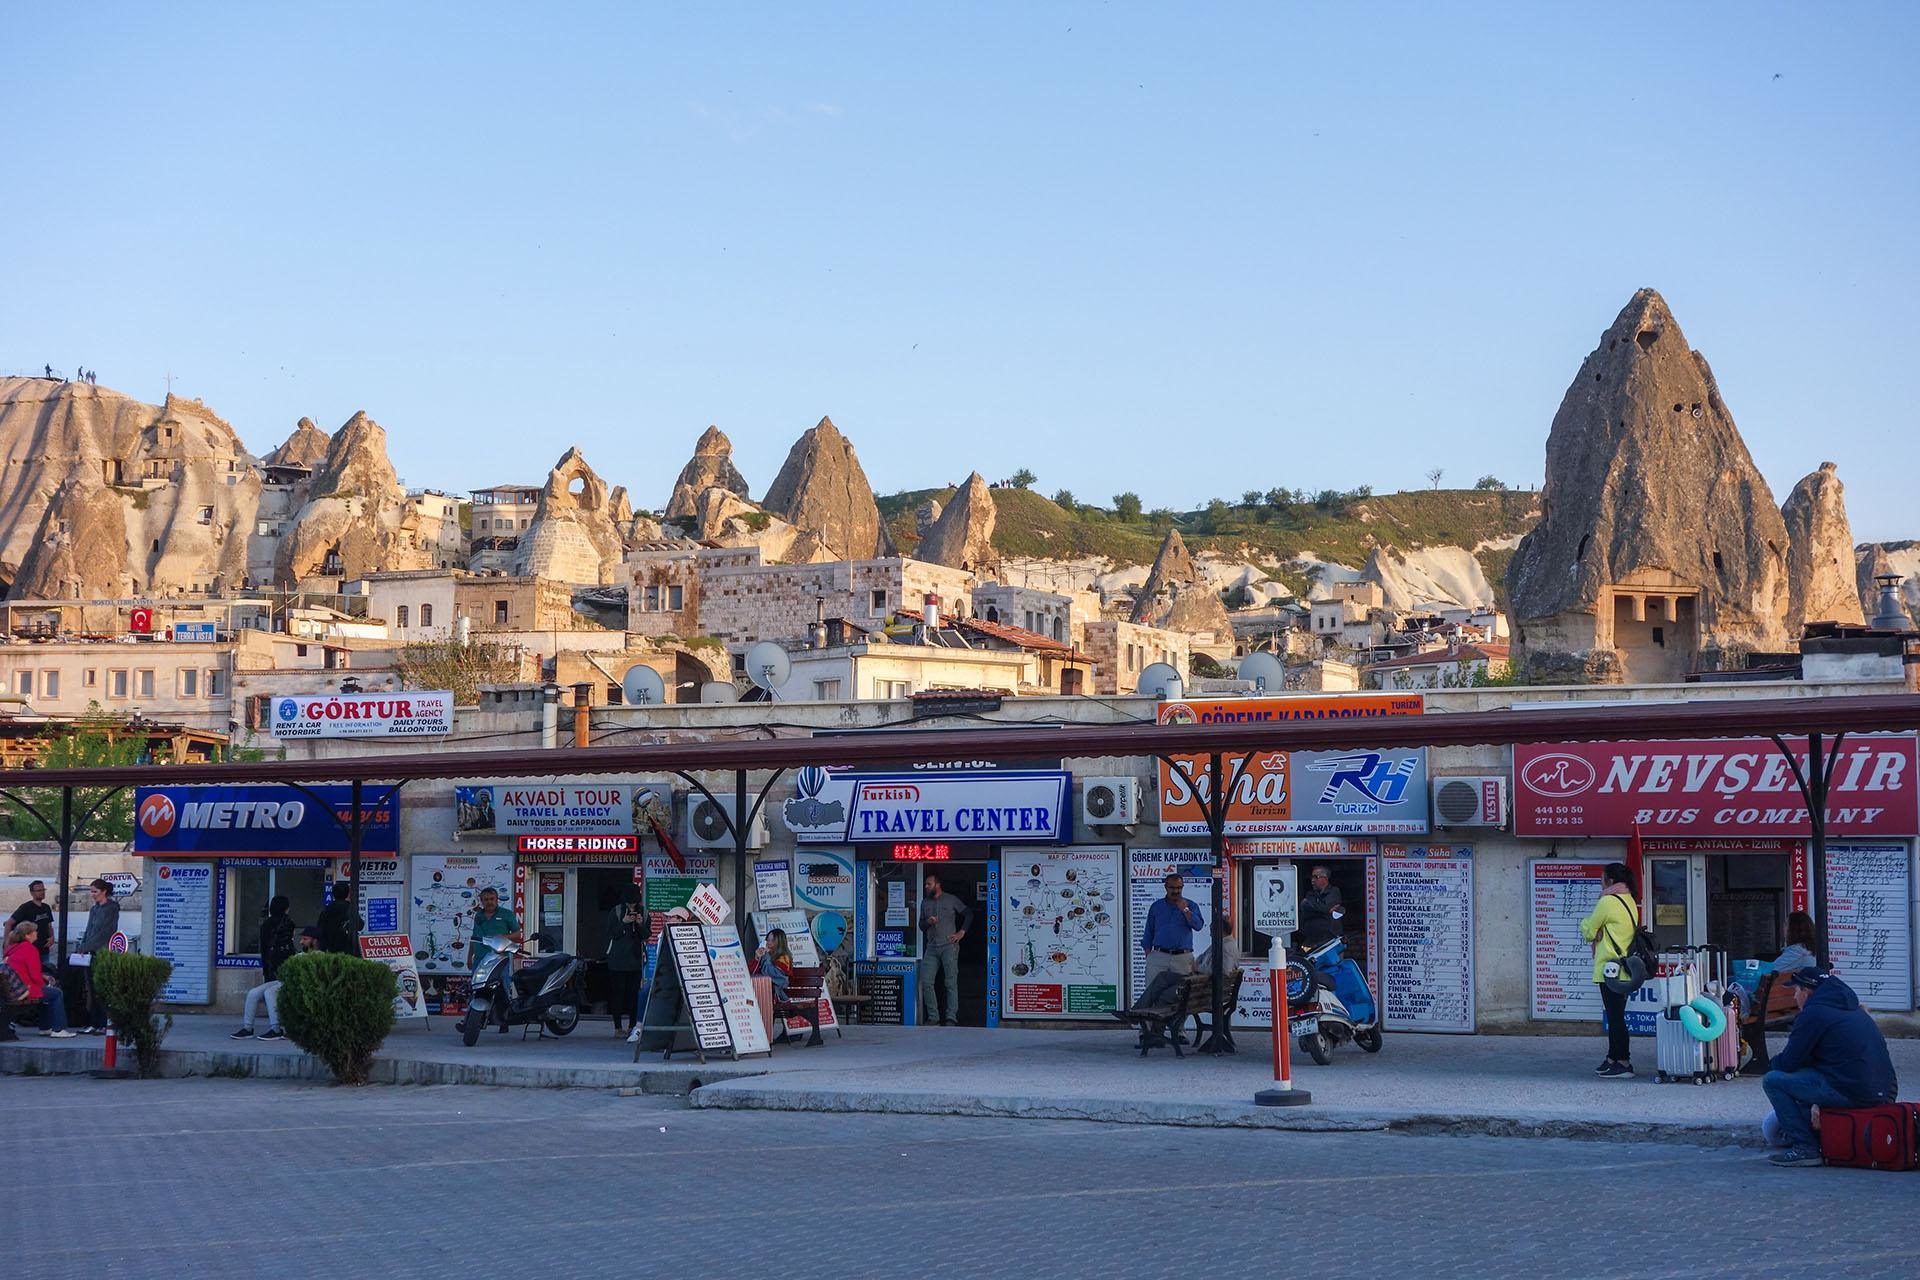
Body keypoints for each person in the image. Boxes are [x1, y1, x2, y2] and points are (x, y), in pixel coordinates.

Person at [1761, 967, 1900, 1167]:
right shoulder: (1854, 1010)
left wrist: (1772, 1064)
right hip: (1885, 1092)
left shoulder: (1814, 1014)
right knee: (1796, 1086)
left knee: (1773, 1080)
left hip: (1853, 1091)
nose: (1794, 997)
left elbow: (1789, 1062)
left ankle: (1805, 1149)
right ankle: (1816, 1132)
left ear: (1806, 991)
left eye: (1796, 991)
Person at [1579, 862, 1641, 1080]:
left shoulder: (1607, 901)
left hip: (1610, 969)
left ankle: (1623, 1061)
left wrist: (1587, 926)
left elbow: (1588, 930)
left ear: (1611, 881)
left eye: (1602, 878)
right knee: (1616, 1015)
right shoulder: (1629, 900)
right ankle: (1612, 1058)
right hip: (1625, 968)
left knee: (1615, 1018)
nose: (1600, 882)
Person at [1741, 910, 1819, 1074]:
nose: (1783, 928)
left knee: (1732, 984)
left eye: (1786, 924)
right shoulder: (1811, 951)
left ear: (1794, 929)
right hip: (1787, 1005)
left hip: (1768, 1008)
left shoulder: (1796, 952)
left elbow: (1769, 971)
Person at [232, 897, 298, 1041]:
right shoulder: (286, 924)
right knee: (253, 993)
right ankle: (248, 1028)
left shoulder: (268, 925)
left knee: (269, 993)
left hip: (282, 974)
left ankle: (276, 1029)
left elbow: (267, 952)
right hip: (280, 973)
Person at [917, 873, 972, 1026]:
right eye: (926, 884)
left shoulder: (951, 899)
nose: (926, 887)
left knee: (950, 982)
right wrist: (928, 922)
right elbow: (921, 926)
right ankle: (933, 1017)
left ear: (937, 885)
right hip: (932, 947)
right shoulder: (925, 903)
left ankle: (951, 1017)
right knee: (926, 981)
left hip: (949, 946)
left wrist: (961, 932)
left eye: (929, 884)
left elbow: (968, 914)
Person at [5, 922, 75, 1037]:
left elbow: (24, 969)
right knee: (56, 993)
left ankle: (45, 1027)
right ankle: (58, 1029)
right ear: (28, 935)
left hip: (15, 988)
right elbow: (34, 974)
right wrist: (44, 983)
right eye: (34, 931)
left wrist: (44, 978)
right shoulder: (30, 949)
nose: (37, 933)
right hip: (25, 989)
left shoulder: (14, 948)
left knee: (47, 993)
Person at [72, 878, 120, 1034]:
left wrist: (87, 946)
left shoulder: (111, 908)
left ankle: (103, 1022)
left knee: (101, 989)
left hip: (102, 952)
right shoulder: (94, 909)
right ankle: (93, 1021)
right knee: (91, 989)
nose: (92, 895)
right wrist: (82, 946)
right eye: (91, 891)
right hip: (89, 952)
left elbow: (105, 932)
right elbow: (89, 929)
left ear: (103, 891)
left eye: (95, 892)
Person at [1140, 873, 1205, 986]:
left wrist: (1185, 910)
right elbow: (1149, 931)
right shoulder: (1156, 906)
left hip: (1182, 958)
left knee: (1181, 995)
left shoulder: (1191, 905)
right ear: (1165, 887)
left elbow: (1198, 926)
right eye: (1172, 888)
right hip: (1159, 956)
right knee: (1152, 992)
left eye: (1179, 888)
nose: (1176, 891)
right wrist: (1148, 953)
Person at [604, 885, 648, 1035]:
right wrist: (624, 922)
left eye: (634, 903)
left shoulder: (644, 912)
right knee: (617, 994)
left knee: (633, 994)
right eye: (629, 903)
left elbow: (646, 935)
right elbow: (611, 934)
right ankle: (617, 1027)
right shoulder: (616, 912)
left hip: (635, 961)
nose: (632, 906)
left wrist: (640, 924)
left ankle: (632, 1026)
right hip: (617, 961)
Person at [467, 887, 519, 986]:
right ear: (481, 901)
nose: (489, 902)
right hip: (479, 960)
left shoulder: (507, 914)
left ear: (497, 900)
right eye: (486, 900)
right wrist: (469, 958)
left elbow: (517, 933)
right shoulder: (478, 916)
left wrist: (504, 936)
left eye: (492, 899)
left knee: (502, 988)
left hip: (499, 960)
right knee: (477, 988)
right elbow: (474, 937)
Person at [1296, 865, 1344, 949]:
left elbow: (1326, 907)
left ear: (1325, 878)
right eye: (1312, 877)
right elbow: (1304, 910)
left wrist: (1313, 908)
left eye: (1315, 877)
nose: (1312, 880)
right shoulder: (1310, 894)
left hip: (1330, 939)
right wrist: (1323, 911)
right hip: (1312, 939)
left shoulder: (1334, 891)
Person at [8, 881, 55, 967]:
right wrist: (7, 944)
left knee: (47, 971)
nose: (42, 892)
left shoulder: (46, 907)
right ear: (32, 893)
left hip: (44, 949)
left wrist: (52, 937)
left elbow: (49, 925)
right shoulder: (25, 908)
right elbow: (9, 923)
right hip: (30, 949)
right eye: (39, 890)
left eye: (43, 890)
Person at [315, 883, 364, 955]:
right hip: (348, 948)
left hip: (330, 948)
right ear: (347, 894)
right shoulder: (350, 909)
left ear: (333, 894)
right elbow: (360, 925)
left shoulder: (327, 909)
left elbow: (320, 929)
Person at [755, 927, 795, 1000]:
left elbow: (769, 972)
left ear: (779, 942)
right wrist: (757, 958)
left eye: (772, 940)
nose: (769, 943)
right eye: (768, 940)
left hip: (776, 993)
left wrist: (765, 956)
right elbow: (753, 971)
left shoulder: (784, 958)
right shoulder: (767, 954)